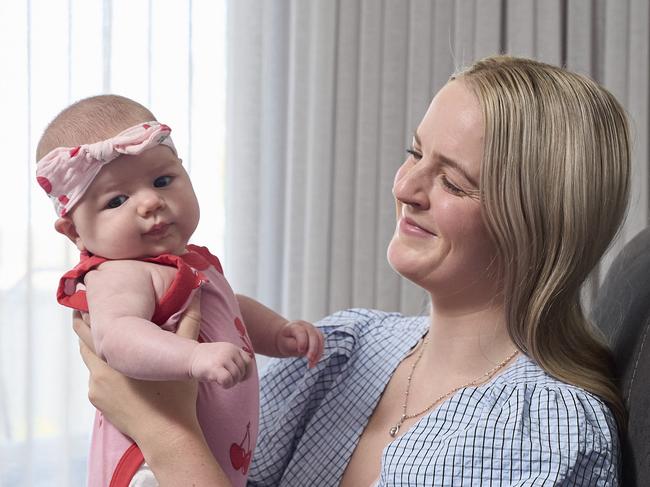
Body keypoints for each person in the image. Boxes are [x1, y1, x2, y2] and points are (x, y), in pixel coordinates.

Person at [74, 55, 630, 486]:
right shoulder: (345, 347)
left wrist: (165, 432)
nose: (405, 189)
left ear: (538, 220)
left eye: (453, 181)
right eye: (414, 154)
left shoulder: (546, 431)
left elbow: (184, 454)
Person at [35, 95, 324, 487]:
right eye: (117, 200)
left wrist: (276, 332)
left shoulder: (186, 262)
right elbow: (116, 337)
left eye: (162, 180)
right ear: (75, 232)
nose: (151, 201)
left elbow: (228, 311)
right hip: (148, 468)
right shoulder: (120, 273)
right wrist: (192, 357)